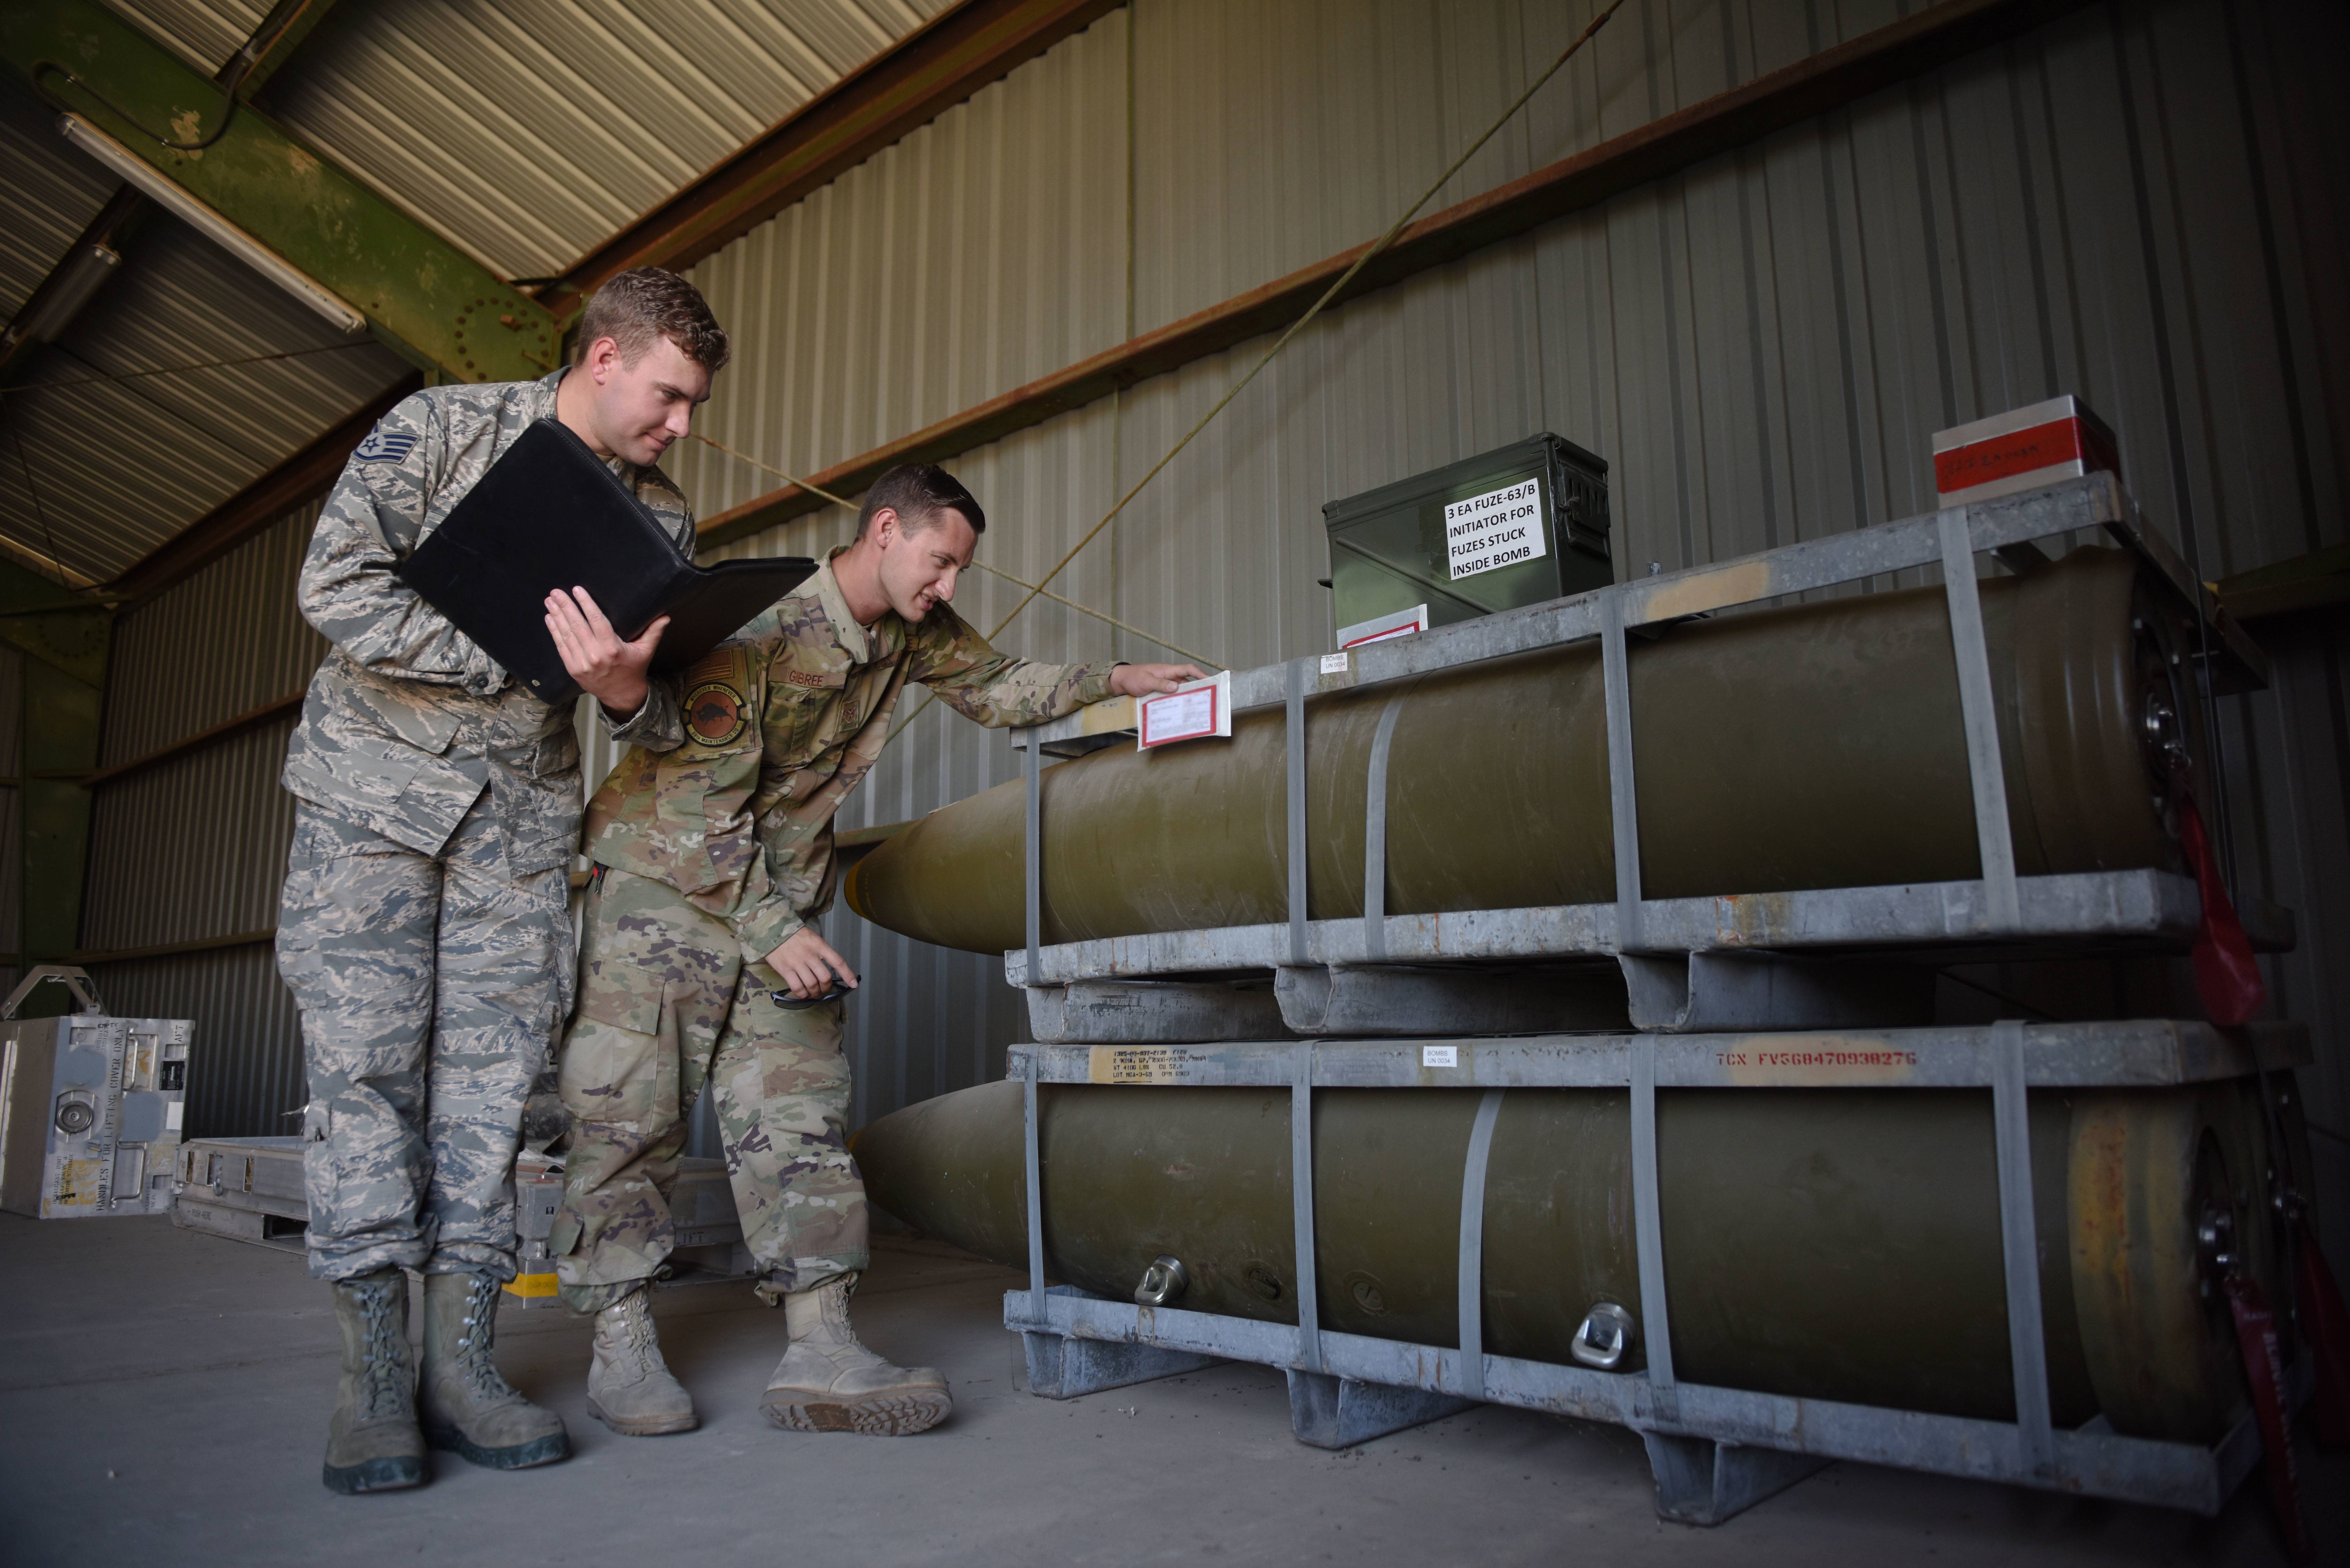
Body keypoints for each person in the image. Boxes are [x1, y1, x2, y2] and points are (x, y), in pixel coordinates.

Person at [550, 462, 1206, 1438]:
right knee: (629, 1110)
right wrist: (775, 931)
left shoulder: (912, 626)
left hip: (774, 901)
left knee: (799, 1101)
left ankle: (820, 1345)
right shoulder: (759, 626)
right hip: (665, 885)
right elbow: (694, 803)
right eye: (940, 561)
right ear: (886, 530)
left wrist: (1114, 680)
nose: (948, 585)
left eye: (959, 571)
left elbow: (995, 685)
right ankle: (622, 1344)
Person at [276, 268, 727, 1494]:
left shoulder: (662, 521)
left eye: (694, 404)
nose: (682, 425)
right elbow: (336, 585)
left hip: (517, 835)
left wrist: (622, 693)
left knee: (490, 1090)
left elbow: (650, 710)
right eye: (669, 395)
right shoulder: (441, 430)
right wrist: (515, 655)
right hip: (374, 809)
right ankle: (375, 1382)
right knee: (365, 1073)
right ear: (603, 357)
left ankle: (465, 1367)